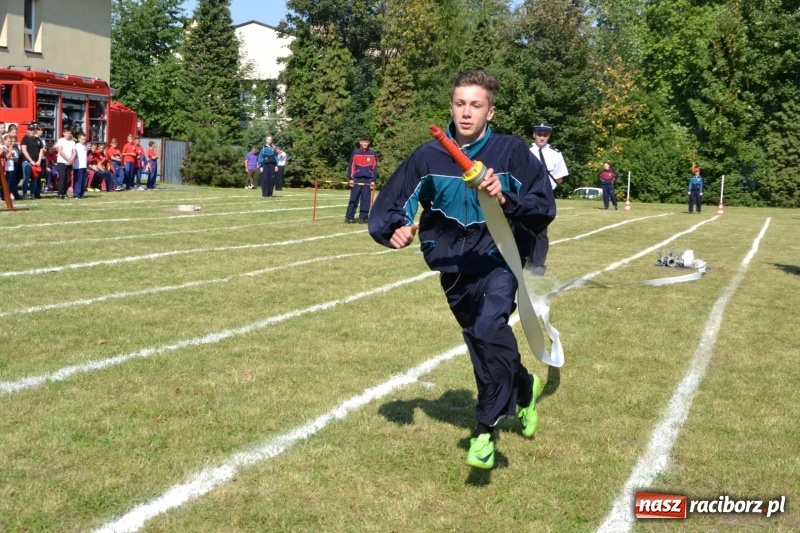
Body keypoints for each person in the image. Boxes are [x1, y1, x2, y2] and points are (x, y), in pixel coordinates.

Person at [368, 70, 556, 470]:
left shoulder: (510, 152)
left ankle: (485, 429)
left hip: (500, 261)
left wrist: (504, 198)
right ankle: (524, 386)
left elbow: (543, 206)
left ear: (491, 111)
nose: (466, 112)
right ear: (451, 106)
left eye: (476, 105)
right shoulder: (427, 156)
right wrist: (394, 231)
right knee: (480, 341)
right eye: (459, 103)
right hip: (453, 267)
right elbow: (393, 204)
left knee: (489, 329)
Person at [526, 123, 569, 276]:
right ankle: (527, 259)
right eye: (539, 134)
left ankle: (538, 264)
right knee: (524, 228)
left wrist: (547, 189)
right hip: (527, 195)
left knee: (541, 231)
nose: (542, 137)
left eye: (545, 134)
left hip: (544, 197)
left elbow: (559, 177)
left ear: (549, 136)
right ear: (534, 135)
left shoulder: (556, 154)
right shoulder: (526, 152)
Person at [345, 135, 378, 223]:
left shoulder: (372, 153)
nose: (365, 144)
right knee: (353, 198)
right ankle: (349, 217)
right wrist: (351, 178)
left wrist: (373, 180)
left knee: (365, 199)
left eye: (366, 142)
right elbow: (351, 166)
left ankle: (363, 218)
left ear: (369, 143)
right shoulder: (355, 152)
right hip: (356, 179)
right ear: (360, 142)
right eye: (363, 142)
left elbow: (374, 168)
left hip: (367, 180)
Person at [20, 123, 45, 199]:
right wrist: (31, 160)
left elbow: (41, 150)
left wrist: (39, 161)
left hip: (36, 162)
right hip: (26, 162)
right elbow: (24, 150)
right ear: (27, 130)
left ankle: (32, 194)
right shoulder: (25, 139)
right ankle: (25, 194)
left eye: (33, 130)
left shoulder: (38, 139)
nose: (32, 131)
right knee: (26, 178)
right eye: (30, 130)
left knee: (35, 178)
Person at [55, 129, 76, 199]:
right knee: (62, 178)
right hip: (62, 161)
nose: (68, 134)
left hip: (69, 162)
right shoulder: (61, 140)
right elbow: (60, 151)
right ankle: (60, 193)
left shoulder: (72, 142)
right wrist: (68, 159)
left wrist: (71, 160)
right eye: (67, 133)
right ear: (63, 133)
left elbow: (74, 152)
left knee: (68, 178)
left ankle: (65, 193)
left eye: (69, 133)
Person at [72, 132, 88, 199]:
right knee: (78, 180)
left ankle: (81, 193)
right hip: (78, 166)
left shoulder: (85, 146)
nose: (83, 141)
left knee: (83, 180)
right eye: (82, 139)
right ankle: (77, 194)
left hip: (84, 165)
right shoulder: (76, 146)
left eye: (84, 139)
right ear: (78, 139)